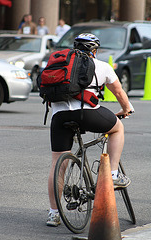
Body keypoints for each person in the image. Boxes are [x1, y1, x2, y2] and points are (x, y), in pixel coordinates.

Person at [46, 33, 134, 227]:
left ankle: (53, 214)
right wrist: (126, 109)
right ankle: (113, 175)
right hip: (87, 114)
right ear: (95, 50)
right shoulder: (102, 66)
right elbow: (118, 91)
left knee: (57, 164)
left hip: (59, 117)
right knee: (117, 129)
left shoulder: (61, 64)